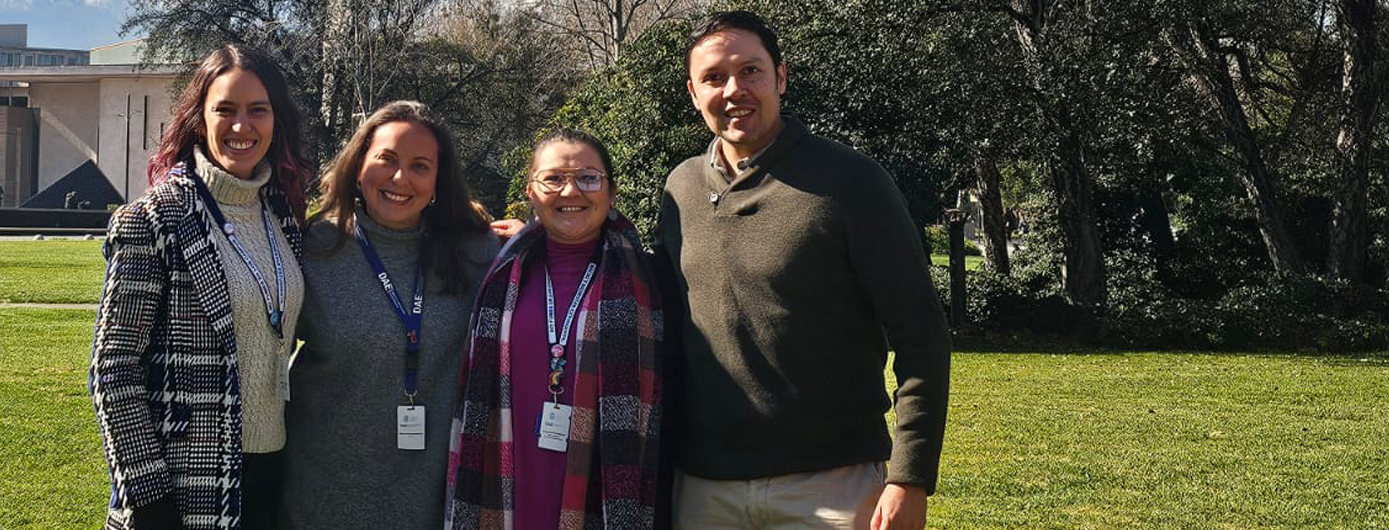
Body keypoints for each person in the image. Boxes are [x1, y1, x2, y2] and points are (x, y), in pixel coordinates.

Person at [655, 11, 951, 530]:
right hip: (704, 487)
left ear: (781, 77)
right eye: (714, 77)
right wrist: (534, 239)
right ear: (692, 92)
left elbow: (920, 332)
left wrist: (911, 476)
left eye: (751, 71)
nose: (734, 90)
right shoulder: (679, 190)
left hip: (830, 486)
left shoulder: (853, 183)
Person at [88, 43, 315, 530]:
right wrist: (148, 499)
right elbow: (113, 368)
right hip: (184, 486)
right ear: (199, 118)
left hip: (273, 474)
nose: (242, 126)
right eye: (225, 110)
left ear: (276, 121)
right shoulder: (153, 218)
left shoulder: (283, 217)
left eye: (258, 110)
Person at [279, 100, 497, 530]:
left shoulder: (474, 253)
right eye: (387, 159)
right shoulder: (312, 247)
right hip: (319, 497)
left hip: (429, 501)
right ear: (359, 164)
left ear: (438, 180)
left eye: (420, 166)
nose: (401, 178)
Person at [445, 129, 667, 530]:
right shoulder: (498, 270)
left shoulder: (650, 282)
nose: (571, 192)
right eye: (553, 179)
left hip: (600, 489)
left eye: (588, 178)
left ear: (611, 192)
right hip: (508, 483)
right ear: (530, 192)